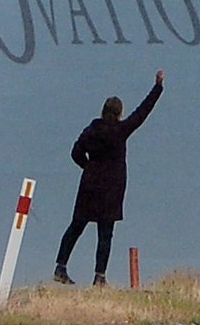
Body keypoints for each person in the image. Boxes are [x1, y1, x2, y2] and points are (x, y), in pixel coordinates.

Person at [52, 71, 163, 283]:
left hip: (89, 185)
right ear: (119, 113)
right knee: (105, 234)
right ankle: (99, 277)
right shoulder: (121, 131)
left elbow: (75, 152)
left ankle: (60, 267)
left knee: (76, 226)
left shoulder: (91, 129)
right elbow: (143, 112)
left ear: (103, 111)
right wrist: (157, 87)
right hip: (111, 189)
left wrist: (88, 167)